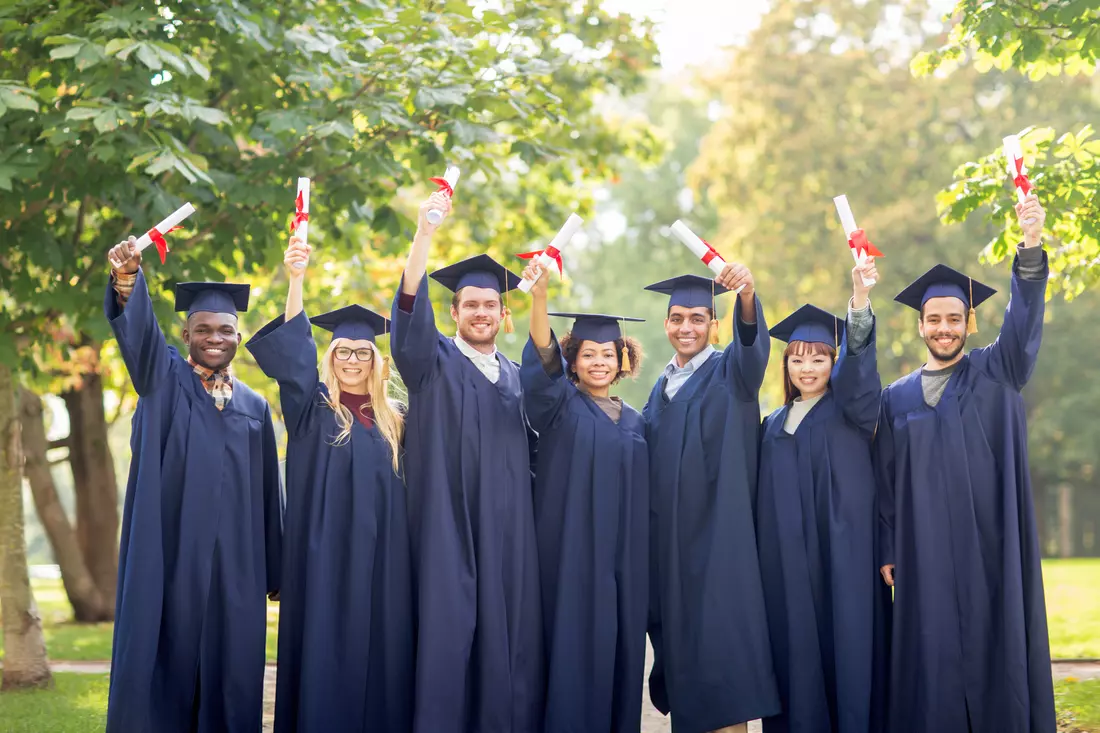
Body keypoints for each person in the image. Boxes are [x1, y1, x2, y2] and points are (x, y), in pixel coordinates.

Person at [876, 193, 1055, 733]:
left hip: (990, 546)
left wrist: (1030, 244)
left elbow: (1023, 326)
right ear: (921, 325)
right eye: (934, 319)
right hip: (922, 554)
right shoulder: (896, 397)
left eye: (954, 318)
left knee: (995, 650)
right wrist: (888, 548)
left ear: (968, 322)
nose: (944, 328)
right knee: (930, 664)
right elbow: (885, 483)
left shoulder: (996, 371)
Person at [103, 237, 282, 733]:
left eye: (225, 329)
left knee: (233, 673)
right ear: (186, 334)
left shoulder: (255, 406)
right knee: (167, 663)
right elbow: (138, 337)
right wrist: (126, 280)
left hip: (236, 568)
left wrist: (274, 570)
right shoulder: (163, 381)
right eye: (203, 329)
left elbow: (270, 490)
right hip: (171, 555)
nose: (215, 337)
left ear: (238, 338)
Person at [245, 235, 413, 733]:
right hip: (324, 564)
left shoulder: (400, 420)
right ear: (331, 354)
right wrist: (296, 278)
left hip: (386, 566)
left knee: (384, 661)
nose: (354, 359)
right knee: (325, 657)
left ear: (377, 359)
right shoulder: (312, 410)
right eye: (343, 350)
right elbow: (295, 355)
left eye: (364, 351)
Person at [390, 192, 543, 733]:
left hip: (507, 534)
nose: (481, 313)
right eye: (470, 305)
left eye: (490, 306)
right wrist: (424, 235)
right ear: (453, 313)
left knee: (507, 643)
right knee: (446, 637)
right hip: (445, 527)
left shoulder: (518, 378)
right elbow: (408, 312)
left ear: (505, 316)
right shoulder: (431, 364)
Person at [756, 258, 890, 733]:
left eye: (819, 357)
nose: (807, 367)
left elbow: (861, 366)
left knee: (847, 655)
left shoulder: (850, 410)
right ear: (785, 364)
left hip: (843, 563)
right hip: (787, 571)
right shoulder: (770, 425)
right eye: (797, 358)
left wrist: (858, 299)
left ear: (834, 363)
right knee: (795, 663)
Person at [643, 268, 779, 733]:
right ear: (665, 324)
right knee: (688, 678)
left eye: (698, 318)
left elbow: (752, 348)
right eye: (677, 318)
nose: (687, 327)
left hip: (722, 549)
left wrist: (746, 295)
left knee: (724, 679)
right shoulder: (656, 392)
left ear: (714, 324)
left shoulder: (732, 373)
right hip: (674, 557)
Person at [518, 261, 649, 733]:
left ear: (622, 360)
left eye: (608, 354)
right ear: (572, 360)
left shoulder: (637, 422)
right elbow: (541, 356)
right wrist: (539, 299)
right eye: (588, 354)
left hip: (622, 568)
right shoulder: (558, 406)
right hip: (567, 560)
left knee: (617, 657)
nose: (598, 362)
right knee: (567, 657)